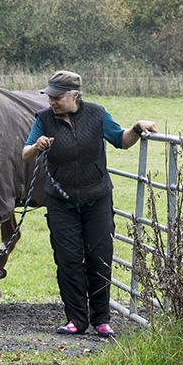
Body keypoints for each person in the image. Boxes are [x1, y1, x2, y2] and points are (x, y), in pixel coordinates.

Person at [22, 70, 157, 338]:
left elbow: (121, 140)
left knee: (99, 257)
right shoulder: (44, 119)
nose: (52, 102)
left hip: (97, 197)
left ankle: (101, 319)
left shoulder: (96, 114)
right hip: (61, 201)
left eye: (57, 97)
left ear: (75, 95)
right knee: (68, 259)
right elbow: (25, 155)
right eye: (49, 96)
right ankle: (75, 319)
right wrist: (37, 146)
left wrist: (137, 126)